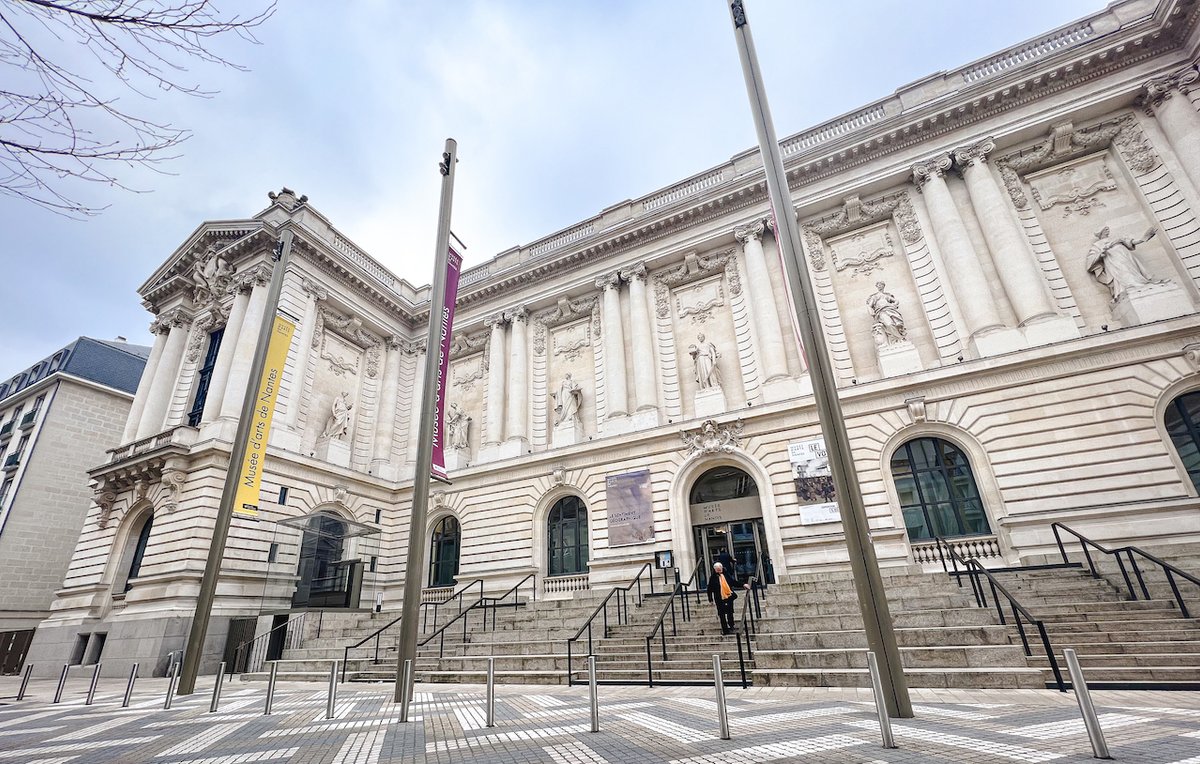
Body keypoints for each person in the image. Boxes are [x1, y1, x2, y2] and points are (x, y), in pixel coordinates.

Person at [1085, 226, 1164, 302]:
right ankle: (1132, 286)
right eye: (1106, 229)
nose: (1108, 231)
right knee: (1124, 272)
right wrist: (1100, 254)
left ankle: (1140, 284)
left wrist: (1143, 239)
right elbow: (1091, 259)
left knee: (1132, 270)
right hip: (1113, 259)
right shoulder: (1097, 245)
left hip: (1126, 256)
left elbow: (1131, 242)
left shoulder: (1116, 238)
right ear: (1101, 232)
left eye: (1108, 229)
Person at [706, 562, 749, 635]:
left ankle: (731, 626)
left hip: (728, 596)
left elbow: (733, 582)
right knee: (721, 614)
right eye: (717, 570)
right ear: (715, 569)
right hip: (719, 598)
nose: (719, 571)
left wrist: (743, 584)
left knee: (730, 611)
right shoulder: (713, 578)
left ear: (722, 568)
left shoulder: (726, 575)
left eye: (720, 569)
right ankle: (725, 630)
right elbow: (709, 589)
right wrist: (710, 599)